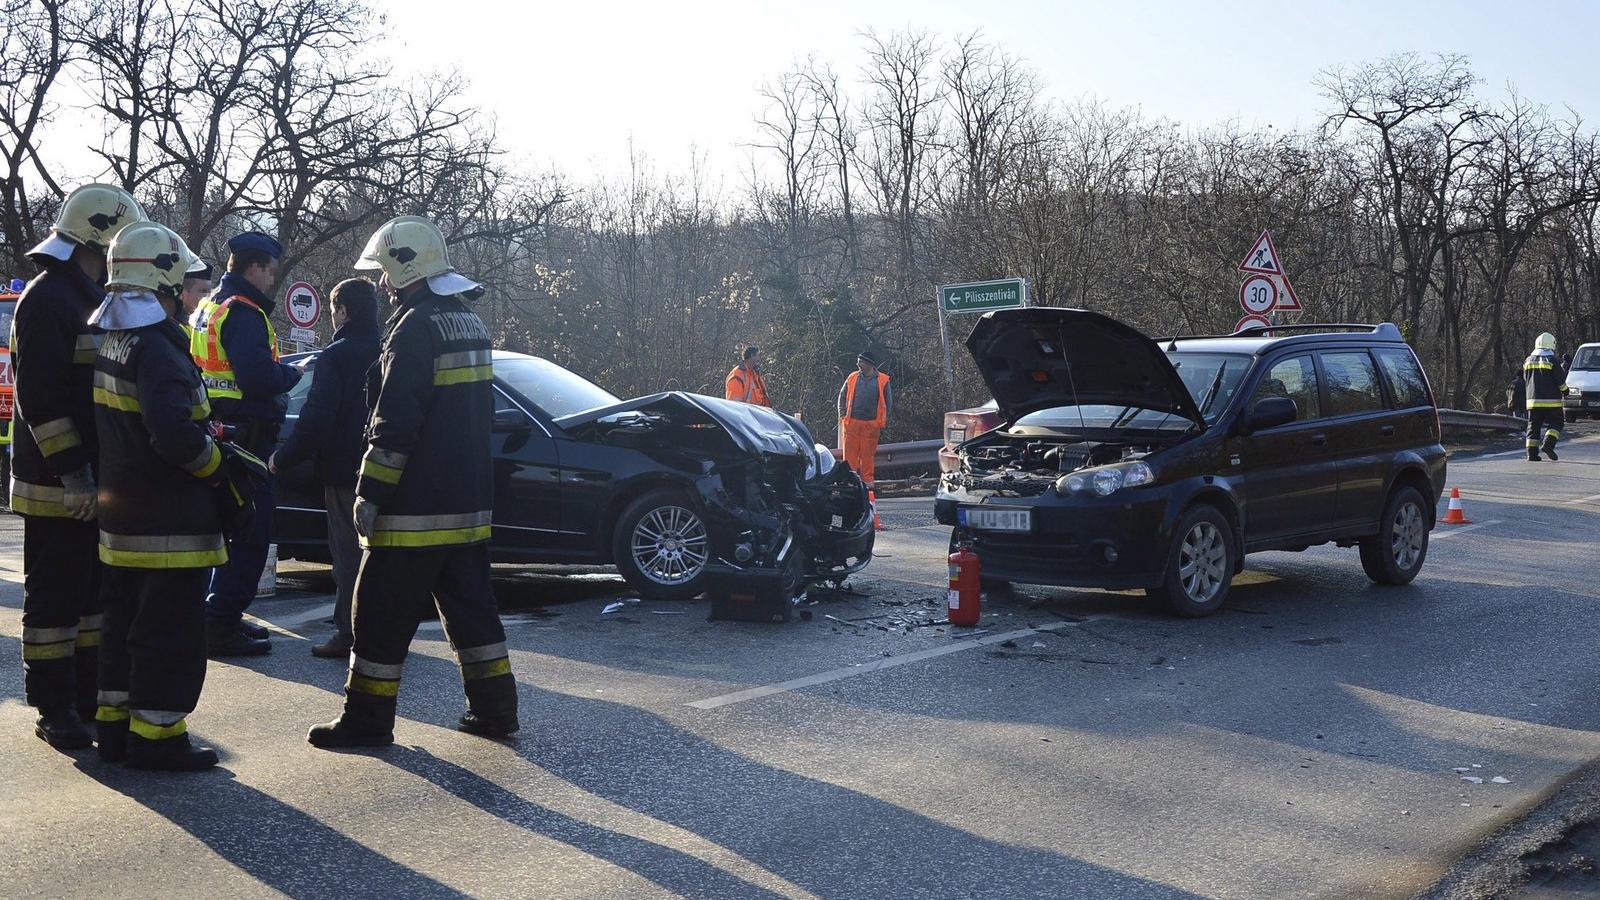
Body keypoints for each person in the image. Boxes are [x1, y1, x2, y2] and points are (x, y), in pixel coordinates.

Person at [308, 215, 518, 749]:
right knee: (472, 610)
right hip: (467, 506)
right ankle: (496, 710)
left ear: (407, 270)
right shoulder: (468, 321)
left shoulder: (415, 328)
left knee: (377, 611)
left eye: (385, 271)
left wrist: (370, 492)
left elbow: (396, 420)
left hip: (414, 509)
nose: (381, 283)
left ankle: (367, 720)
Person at [89, 221, 230, 770]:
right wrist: (219, 467)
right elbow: (173, 434)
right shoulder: (159, 349)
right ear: (165, 283)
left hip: (123, 520)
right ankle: (159, 739)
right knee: (169, 634)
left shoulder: (116, 341)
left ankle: (116, 729)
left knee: (123, 627)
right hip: (171, 524)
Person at [11, 183, 144, 749]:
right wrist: (74, 477)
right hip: (57, 488)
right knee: (55, 604)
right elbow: (41, 403)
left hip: (96, 484)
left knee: (93, 601)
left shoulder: (86, 296)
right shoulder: (47, 300)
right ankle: (52, 707)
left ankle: (86, 696)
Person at [195, 231, 302, 656]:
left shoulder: (209, 307)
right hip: (246, 442)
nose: (272, 281)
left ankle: (216, 617)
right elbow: (258, 377)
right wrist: (293, 373)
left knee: (222, 534)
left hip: (217, 432)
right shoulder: (243, 313)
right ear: (255, 268)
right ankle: (219, 624)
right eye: (271, 272)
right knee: (251, 535)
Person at [271, 278, 381, 659]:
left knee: (347, 553)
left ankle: (349, 633)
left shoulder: (337, 355)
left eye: (335, 310)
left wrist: (283, 459)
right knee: (381, 554)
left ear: (344, 312)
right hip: (386, 467)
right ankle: (382, 630)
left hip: (343, 470)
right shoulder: (388, 349)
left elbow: (317, 418)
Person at [836, 351, 891, 485]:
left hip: (871, 425)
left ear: (869, 364)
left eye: (861, 362)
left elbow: (888, 403)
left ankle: (867, 484)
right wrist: (843, 415)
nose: (858, 364)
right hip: (852, 423)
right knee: (849, 456)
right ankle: (849, 482)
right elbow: (841, 397)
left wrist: (879, 422)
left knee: (867, 457)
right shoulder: (852, 377)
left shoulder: (883, 380)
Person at [1524, 332, 1566, 462]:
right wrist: (1566, 391)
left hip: (1533, 401)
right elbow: (1560, 380)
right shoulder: (1552, 360)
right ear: (1551, 345)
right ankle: (1548, 444)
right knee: (1557, 422)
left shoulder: (1528, 360)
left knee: (1533, 427)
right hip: (1552, 401)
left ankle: (1531, 454)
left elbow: (1527, 380)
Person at [180, 258, 213, 328]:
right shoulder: (172, 327)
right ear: (183, 294)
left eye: (209, 291)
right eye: (203, 291)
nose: (208, 296)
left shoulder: (208, 322)